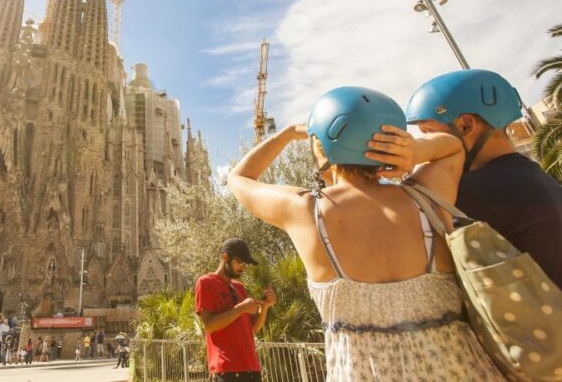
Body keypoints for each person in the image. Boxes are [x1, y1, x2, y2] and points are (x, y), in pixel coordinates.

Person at [227, 86, 505, 381]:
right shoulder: (426, 196)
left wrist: (286, 134)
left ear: (321, 148)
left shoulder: (306, 212)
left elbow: (238, 178)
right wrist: (415, 152)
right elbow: (452, 146)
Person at [405, 69, 562, 288]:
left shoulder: (471, 192)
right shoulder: (533, 175)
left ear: (465, 125)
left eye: (430, 133)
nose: (429, 143)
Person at [193, 238, 273, 381]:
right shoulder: (206, 282)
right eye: (240, 261)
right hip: (226, 370)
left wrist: (265, 306)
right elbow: (209, 325)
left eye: (246, 263)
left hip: (252, 369)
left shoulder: (239, 287)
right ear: (225, 257)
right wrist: (240, 309)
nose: (243, 267)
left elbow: (254, 328)